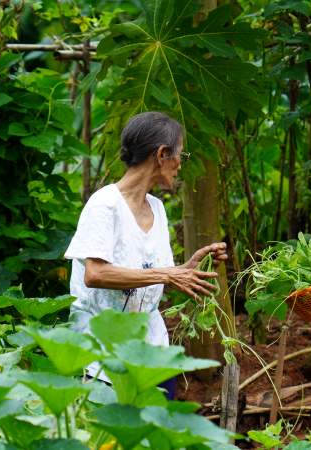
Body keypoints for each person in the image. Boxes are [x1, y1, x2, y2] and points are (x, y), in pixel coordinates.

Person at [63, 111, 227, 398]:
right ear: (162, 154)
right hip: (102, 357)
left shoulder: (157, 209)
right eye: (180, 155)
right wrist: (167, 274)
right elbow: (95, 274)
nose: (180, 165)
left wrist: (186, 270)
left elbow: (150, 274)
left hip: (152, 351)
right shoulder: (105, 205)